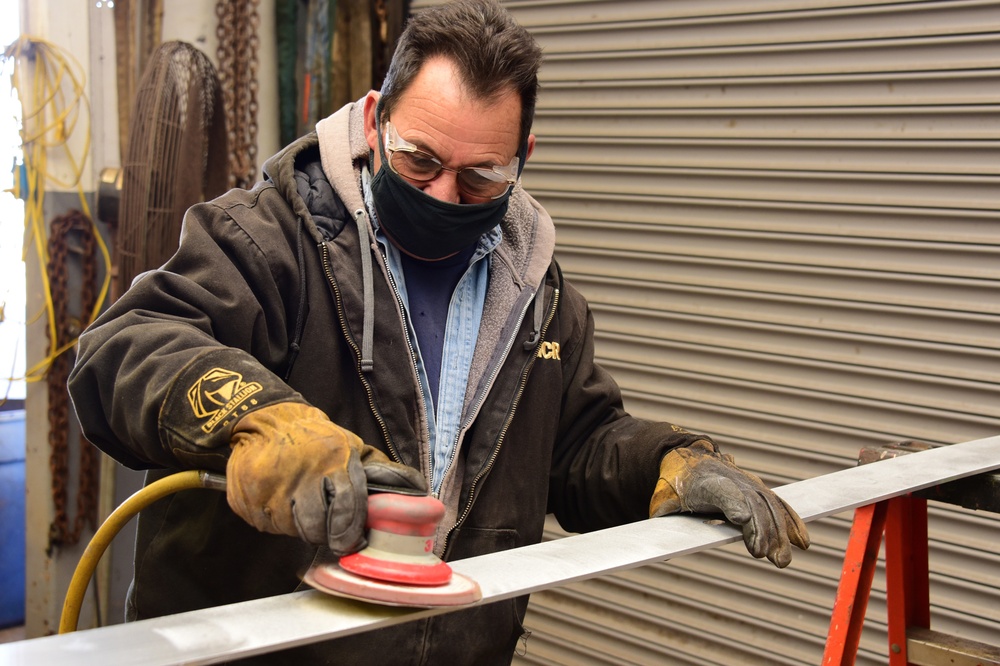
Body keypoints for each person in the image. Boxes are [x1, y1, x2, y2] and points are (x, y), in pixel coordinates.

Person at [69, 1, 809, 663]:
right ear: (371, 120)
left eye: (481, 177)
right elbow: (126, 345)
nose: (445, 196)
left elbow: (577, 446)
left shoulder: (540, 298)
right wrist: (259, 421)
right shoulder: (268, 241)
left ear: (524, 159)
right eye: (419, 160)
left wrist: (666, 466)